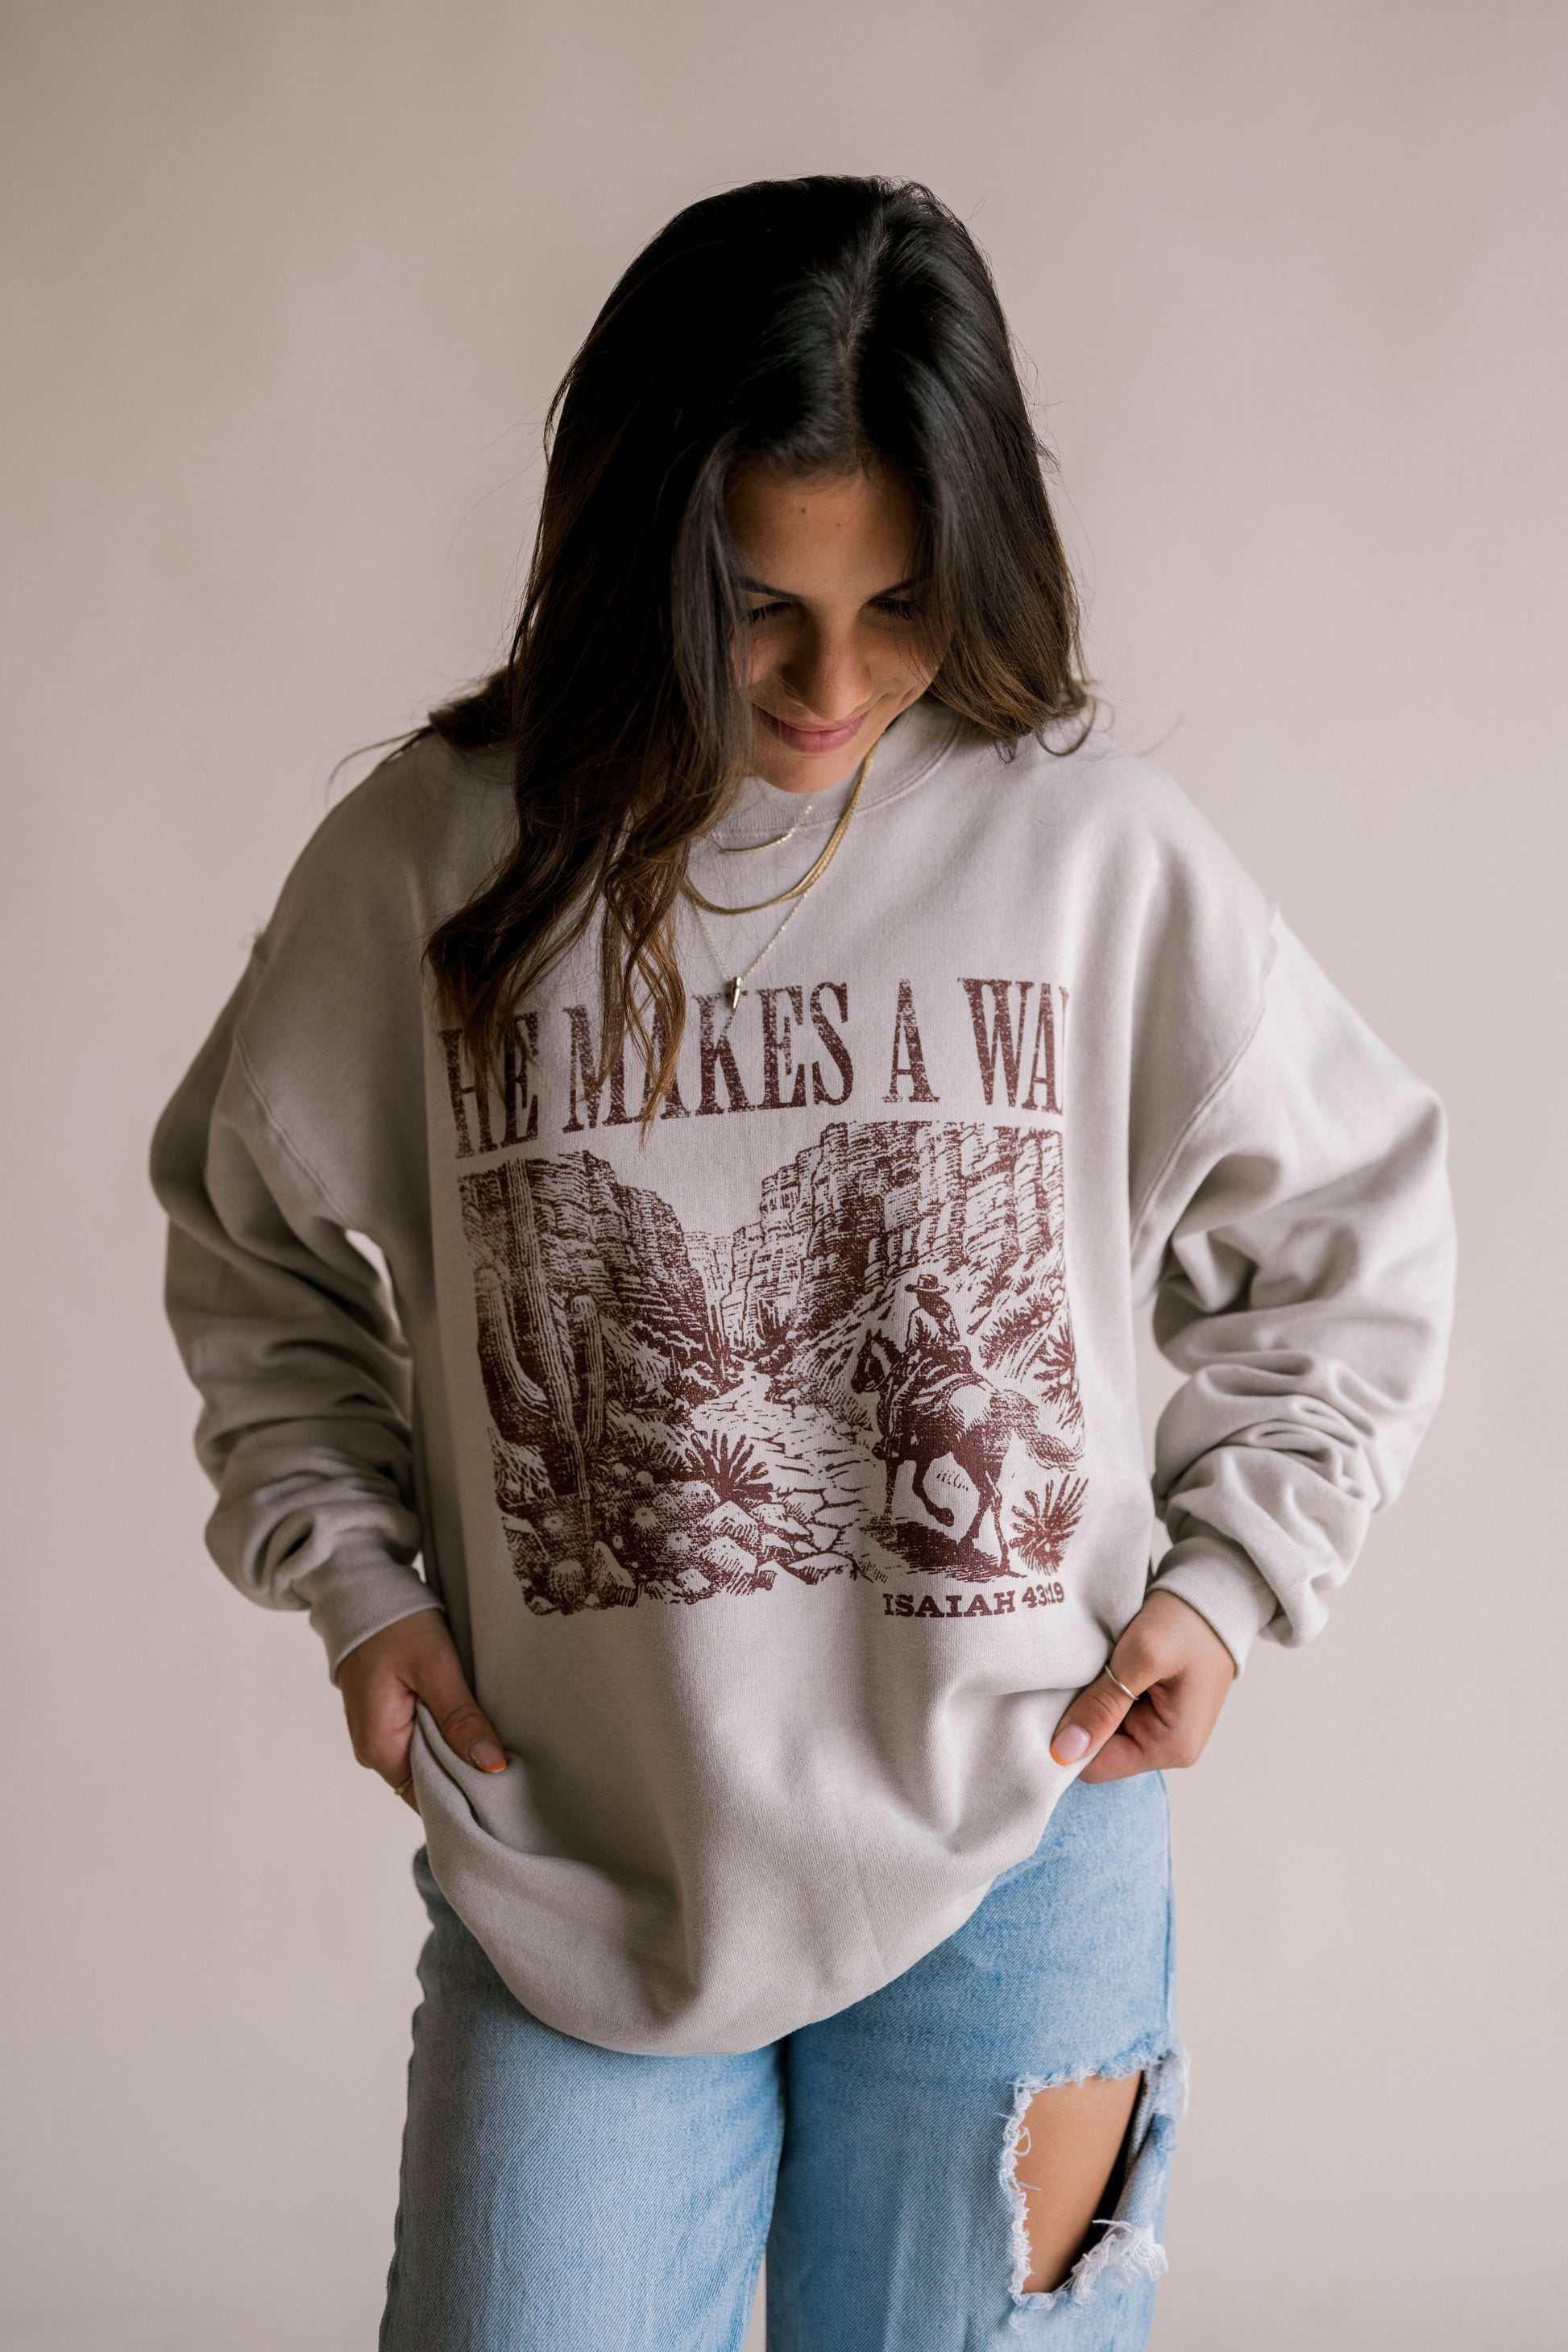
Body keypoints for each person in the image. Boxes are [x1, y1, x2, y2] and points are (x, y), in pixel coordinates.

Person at [148, 176, 1454, 2350]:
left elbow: (1353, 1230)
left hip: (1021, 1846)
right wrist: (357, 1582)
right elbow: (251, 1242)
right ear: (640, 555)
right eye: (758, 608)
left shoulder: (1085, 848)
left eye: (898, 604)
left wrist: (1230, 1583)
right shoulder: (438, 858)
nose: (830, 683)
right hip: (577, 1859)